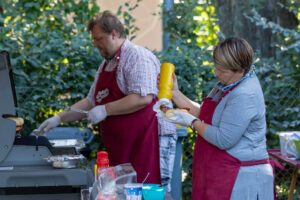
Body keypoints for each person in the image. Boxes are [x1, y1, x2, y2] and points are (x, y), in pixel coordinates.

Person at [38, 10, 176, 186]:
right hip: (124, 148)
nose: (95, 44)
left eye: (98, 39)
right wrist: (59, 118)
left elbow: (143, 98)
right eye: (94, 40)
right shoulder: (107, 64)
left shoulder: (136, 56)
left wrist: (105, 109)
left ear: (114, 34)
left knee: (150, 191)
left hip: (148, 142)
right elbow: (90, 102)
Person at [162, 37, 274, 199]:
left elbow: (223, 139)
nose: (216, 73)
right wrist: (176, 94)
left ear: (240, 70)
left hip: (239, 178)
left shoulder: (244, 94)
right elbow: (206, 116)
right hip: (217, 169)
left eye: (221, 71)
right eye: (217, 67)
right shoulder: (228, 84)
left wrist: (191, 122)